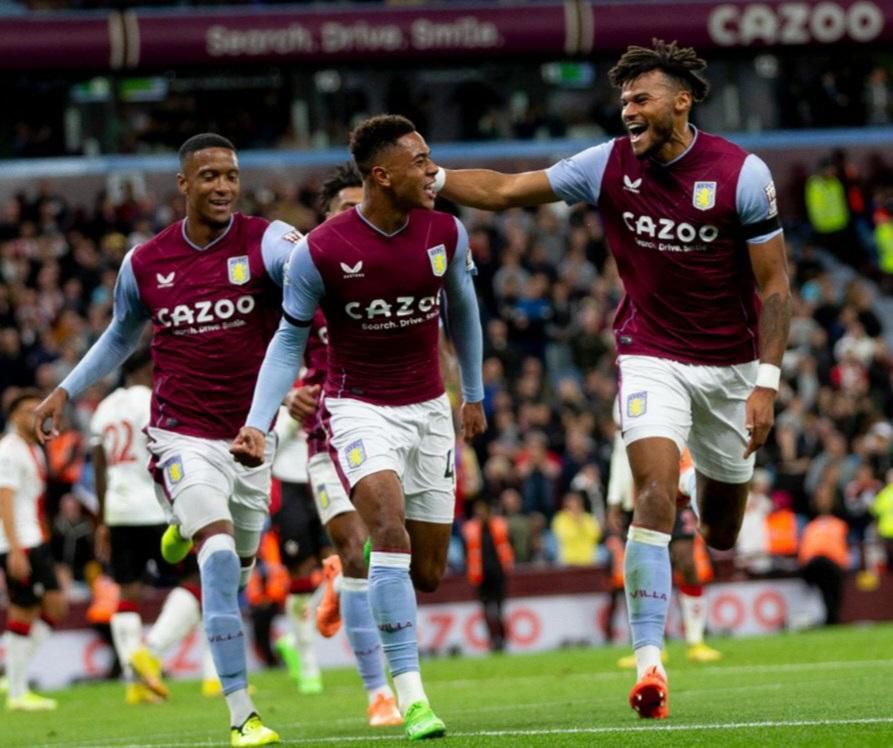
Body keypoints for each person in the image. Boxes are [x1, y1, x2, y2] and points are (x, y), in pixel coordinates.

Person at [437, 39, 792, 719]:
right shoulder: (605, 164)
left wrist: (766, 383)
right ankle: (650, 666)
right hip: (648, 352)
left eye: (640, 98)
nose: (626, 110)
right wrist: (433, 180)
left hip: (731, 365)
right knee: (650, 492)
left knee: (719, 531)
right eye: (622, 99)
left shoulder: (740, 173)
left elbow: (774, 287)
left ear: (680, 101)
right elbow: (510, 191)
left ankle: (699, 484)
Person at [33, 132, 299, 746]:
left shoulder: (267, 240)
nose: (223, 186)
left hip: (251, 437)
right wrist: (65, 391)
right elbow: (120, 335)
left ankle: (181, 529)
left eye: (230, 174)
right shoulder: (145, 261)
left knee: (245, 563)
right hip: (182, 435)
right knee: (221, 556)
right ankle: (242, 714)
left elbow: (305, 270)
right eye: (208, 176)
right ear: (183, 184)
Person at [230, 114, 486, 741]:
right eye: (420, 161)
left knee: (425, 571)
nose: (433, 172)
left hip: (428, 411)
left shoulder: (445, 231)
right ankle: (411, 699)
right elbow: (288, 344)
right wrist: (258, 423)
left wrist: (473, 395)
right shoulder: (321, 250)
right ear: (383, 174)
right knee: (388, 533)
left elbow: (466, 315)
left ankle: (350, 571)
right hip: (356, 410)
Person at [282, 162, 404, 725]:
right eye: (342, 210)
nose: (354, 219)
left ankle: (338, 587)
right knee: (357, 553)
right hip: (324, 432)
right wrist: (289, 393)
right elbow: (267, 347)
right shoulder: (301, 274)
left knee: (399, 557)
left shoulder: (391, 270)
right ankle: (379, 692)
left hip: (392, 424)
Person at [0, 388, 67, 711]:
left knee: (54, 605)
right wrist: (13, 549)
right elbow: (5, 500)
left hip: (34, 539)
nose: (34, 415)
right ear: (13, 416)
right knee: (24, 610)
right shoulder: (8, 450)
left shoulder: (34, 449)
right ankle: (16, 690)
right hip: (19, 542)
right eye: (28, 410)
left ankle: (13, 671)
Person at [461, 498, 513, 652]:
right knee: (486, 610)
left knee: (498, 609)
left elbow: (508, 546)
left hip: (497, 574)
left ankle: (502, 638)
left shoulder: (499, 525)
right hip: (480, 575)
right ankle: (493, 640)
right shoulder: (470, 528)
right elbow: (467, 553)